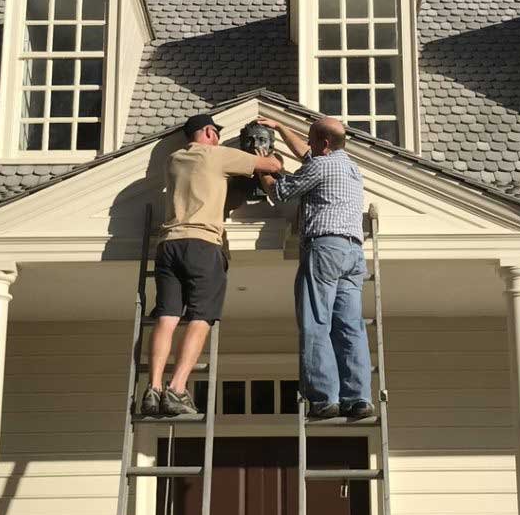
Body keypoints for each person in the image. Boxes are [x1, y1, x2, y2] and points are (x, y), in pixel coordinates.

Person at [141, 113, 283, 416]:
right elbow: (271, 167)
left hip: (168, 244)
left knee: (166, 317)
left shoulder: (174, 160)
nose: (218, 138)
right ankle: (177, 389)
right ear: (207, 132)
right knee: (200, 317)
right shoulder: (216, 156)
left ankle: (153, 388)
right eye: (215, 133)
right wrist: (262, 155)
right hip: (202, 245)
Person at [257, 116, 374, 420]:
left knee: (316, 322)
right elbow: (306, 155)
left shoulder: (320, 167)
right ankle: (358, 398)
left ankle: (324, 399)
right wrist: (280, 128)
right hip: (353, 254)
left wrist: (263, 168)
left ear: (323, 143)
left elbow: (280, 193)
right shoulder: (347, 165)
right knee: (350, 327)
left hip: (326, 249)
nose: (306, 144)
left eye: (311, 139)